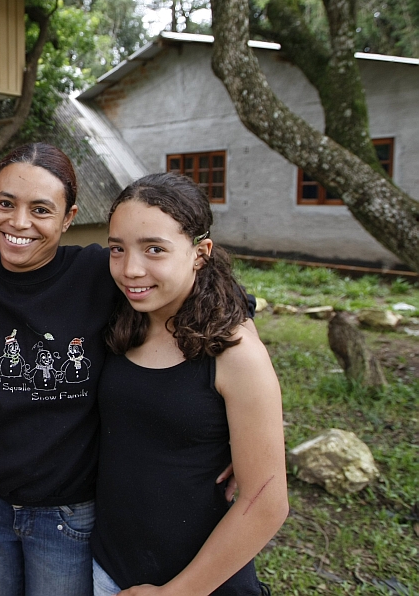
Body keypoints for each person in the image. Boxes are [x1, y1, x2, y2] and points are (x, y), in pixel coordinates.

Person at [92, 172, 287, 595]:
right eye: (117, 249)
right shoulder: (123, 314)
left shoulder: (236, 353)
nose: (131, 269)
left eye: (155, 249)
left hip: (202, 583)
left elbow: (267, 502)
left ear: (201, 253)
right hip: (108, 569)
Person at [0, 143, 120, 596]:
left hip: (67, 510)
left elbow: (198, 292)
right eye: (5, 203)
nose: (18, 223)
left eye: (41, 209)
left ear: (68, 218)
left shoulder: (99, 273)